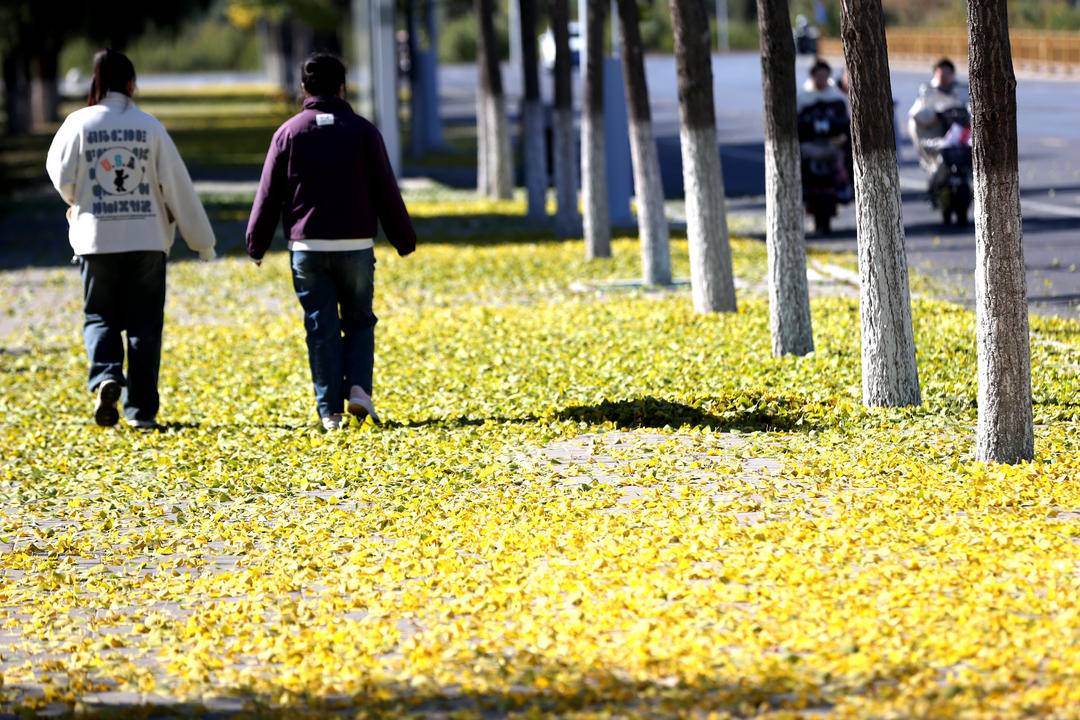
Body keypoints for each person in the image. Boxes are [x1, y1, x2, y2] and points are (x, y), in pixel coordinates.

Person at [46, 49, 216, 430]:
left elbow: (60, 175)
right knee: (144, 325)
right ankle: (141, 411)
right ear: (130, 84)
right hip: (147, 238)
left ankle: (107, 374)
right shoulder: (149, 126)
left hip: (96, 238)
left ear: (95, 82)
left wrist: (78, 200)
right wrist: (201, 241)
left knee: (99, 315)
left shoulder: (78, 124)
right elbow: (176, 185)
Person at [246, 53, 416, 431]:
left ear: (304, 89)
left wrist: (256, 244)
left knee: (320, 326)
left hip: (308, 249)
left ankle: (329, 412)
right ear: (343, 86)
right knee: (359, 320)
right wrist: (403, 238)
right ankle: (358, 389)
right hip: (355, 245)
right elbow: (386, 190)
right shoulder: (363, 131)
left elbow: (269, 194)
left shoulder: (288, 133)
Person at [907, 58, 970, 175]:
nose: (944, 78)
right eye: (941, 74)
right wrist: (937, 116)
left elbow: (971, 109)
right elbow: (916, 114)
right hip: (936, 132)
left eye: (947, 74)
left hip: (961, 133)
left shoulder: (962, 90)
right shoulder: (928, 92)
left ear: (953, 74)